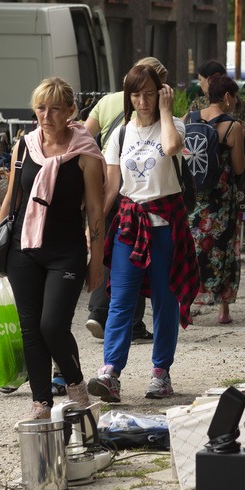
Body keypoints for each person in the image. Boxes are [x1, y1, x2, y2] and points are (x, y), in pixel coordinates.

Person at [0, 77, 105, 420]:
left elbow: (95, 211)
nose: (46, 116)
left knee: (52, 325)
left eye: (55, 109)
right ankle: (41, 402)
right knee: (30, 328)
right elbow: (11, 200)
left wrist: (96, 261)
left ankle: (75, 385)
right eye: (41, 108)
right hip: (22, 248)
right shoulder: (24, 146)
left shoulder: (85, 153)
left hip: (65, 251)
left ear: (71, 110)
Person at [90, 64, 198, 402]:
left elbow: (172, 147)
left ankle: (161, 372)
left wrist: (166, 110)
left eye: (149, 93)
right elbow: (111, 188)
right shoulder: (120, 134)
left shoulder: (174, 124)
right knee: (121, 299)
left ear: (161, 92)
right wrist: (94, 229)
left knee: (165, 301)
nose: (142, 101)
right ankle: (110, 372)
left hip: (166, 224)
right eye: (136, 95)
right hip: (129, 224)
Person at [82, 56, 167, 343]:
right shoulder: (156, 108)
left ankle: (97, 312)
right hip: (131, 185)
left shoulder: (107, 101)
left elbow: (84, 136)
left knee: (108, 249)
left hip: (108, 180)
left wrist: (92, 166)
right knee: (134, 253)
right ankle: (133, 323)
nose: (145, 99)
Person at [187, 73, 245, 325]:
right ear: (227, 96)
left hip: (193, 197)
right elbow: (239, 167)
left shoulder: (188, 119)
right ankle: (223, 310)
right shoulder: (233, 127)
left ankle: (185, 305)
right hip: (220, 200)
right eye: (235, 97)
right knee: (223, 249)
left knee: (191, 249)